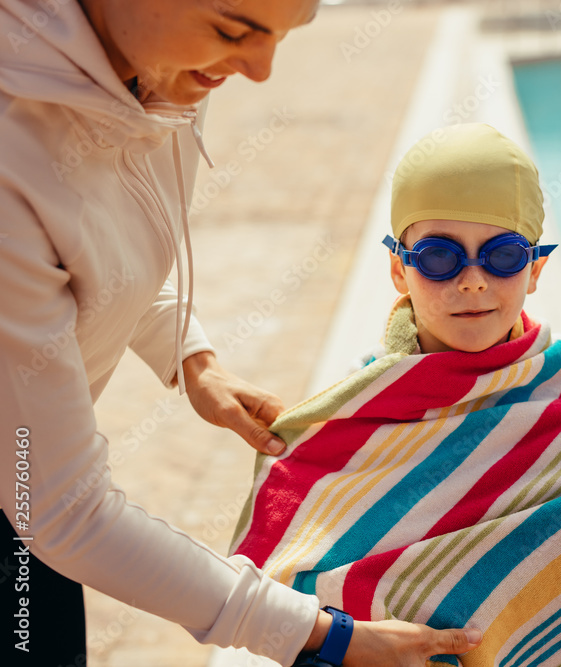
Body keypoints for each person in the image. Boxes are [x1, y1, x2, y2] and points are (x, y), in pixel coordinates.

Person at [0, 0, 480, 665]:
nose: (260, 70)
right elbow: (60, 511)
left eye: (284, 35)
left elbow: (98, 244)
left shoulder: (159, 67)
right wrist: (325, 634)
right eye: (235, 31)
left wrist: (192, 355)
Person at [230, 124, 561, 666]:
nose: (472, 280)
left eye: (501, 256)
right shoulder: (349, 424)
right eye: (440, 258)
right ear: (400, 268)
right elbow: (289, 584)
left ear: (536, 269)